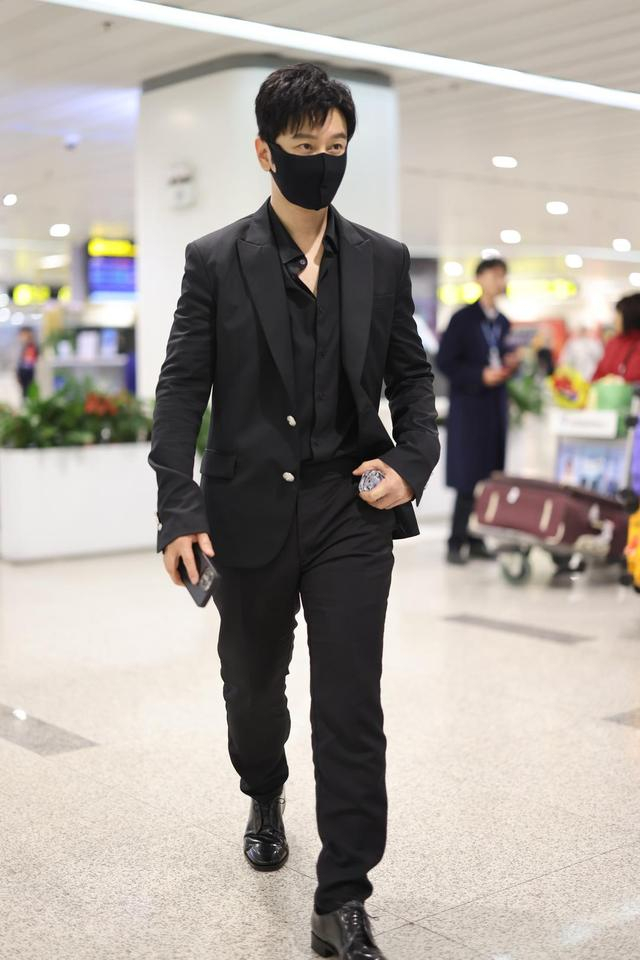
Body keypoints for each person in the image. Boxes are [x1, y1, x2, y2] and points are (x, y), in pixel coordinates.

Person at [148, 63, 440, 960]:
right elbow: (180, 390)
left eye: (336, 146)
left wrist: (411, 463)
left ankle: (342, 897)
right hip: (246, 512)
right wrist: (178, 507)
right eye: (305, 146)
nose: (322, 161)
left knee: (350, 702)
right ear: (265, 151)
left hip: (350, 507)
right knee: (252, 690)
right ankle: (263, 788)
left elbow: (413, 381)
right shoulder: (215, 260)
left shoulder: (381, 260)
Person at [437, 258, 519, 564]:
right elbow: (445, 362)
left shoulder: (503, 322)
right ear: (479, 278)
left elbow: (503, 356)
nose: (499, 281)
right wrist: (479, 375)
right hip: (470, 408)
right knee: (467, 477)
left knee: (489, 476)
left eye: (503, 276)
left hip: (494, 408)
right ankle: (456, 540)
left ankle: (477, 538)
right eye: (494, 275)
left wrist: (511, 364)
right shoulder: (463, 319)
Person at [593, 293, 640, 382]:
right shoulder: (613, 343)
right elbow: (598, 373)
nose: (614, 320)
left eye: (618, 315)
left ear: (630, 316)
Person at [16, 326, 39, 399]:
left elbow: (30, 361)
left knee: (27, 391)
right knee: (24, 391)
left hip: (27, 372)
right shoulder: (25, 346)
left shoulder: (31, 346)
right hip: (24, 372)